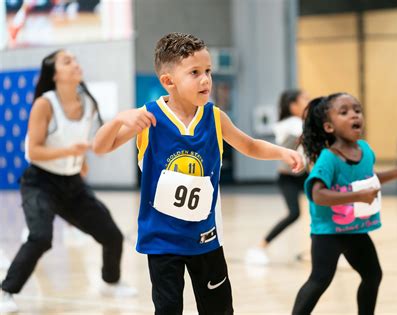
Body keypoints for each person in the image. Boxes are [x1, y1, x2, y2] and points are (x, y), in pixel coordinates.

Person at [92, 32, 304, 315]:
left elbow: (249, 145)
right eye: (195, 72)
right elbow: (101, 147)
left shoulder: (215, 117)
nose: (205, 80)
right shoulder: (148, 118)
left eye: (208, 71)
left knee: (219, 310)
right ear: (169, 81)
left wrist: (281, 152)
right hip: (162, 241)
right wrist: (119, 118)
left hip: (205, 239)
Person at [0, 50, 136, 314]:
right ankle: (6, 290)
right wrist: (70, 152)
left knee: (112, 236)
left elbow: (85, 142)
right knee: (40, 238)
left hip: (72, 184)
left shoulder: (88, 102)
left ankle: (111, 282)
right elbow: (34, 151)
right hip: (40, 182)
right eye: (67, 61)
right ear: (54, 75)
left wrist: (79, 161)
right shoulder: (44, 104)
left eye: (75, 59)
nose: (75, 64)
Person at [291, 93, 397, 315]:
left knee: (373, 275)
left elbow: (368, 181)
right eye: (344, 112)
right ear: (328, 126)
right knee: (320, 280)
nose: (354, 114)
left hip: (355, 230)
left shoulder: (365, 150)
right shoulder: (329, 157)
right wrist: (357, 197)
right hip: (329, 232)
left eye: (357, 110)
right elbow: (318, 195)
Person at [246, 89, 310, 265]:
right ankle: (261, 245)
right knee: (294, 213)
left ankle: (319, 248)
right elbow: (308, 132)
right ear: (293, 105)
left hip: (304, 175)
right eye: (305, 98)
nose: (308, 101)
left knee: (322, 207)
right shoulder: (292, 123)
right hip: (288, 177)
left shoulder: (299, 122)